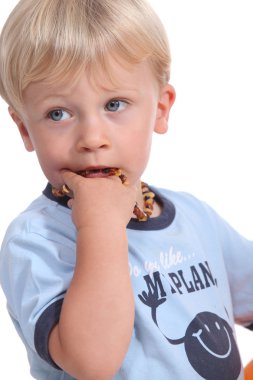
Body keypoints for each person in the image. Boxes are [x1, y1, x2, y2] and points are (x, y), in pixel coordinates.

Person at [0, 0, 252, 379]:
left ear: (161, 109)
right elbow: (92, 362)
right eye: (58, 114)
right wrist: (100, 226)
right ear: (25, 129)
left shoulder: (194, 217)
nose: (92, 138)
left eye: (114, 104)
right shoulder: (36, 239)